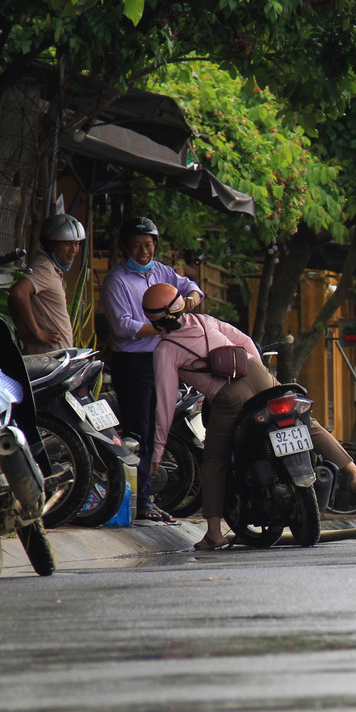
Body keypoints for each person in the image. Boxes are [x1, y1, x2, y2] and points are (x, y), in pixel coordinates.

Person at [142, 282, 356, 549]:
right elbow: (246, 343)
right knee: (305, 422)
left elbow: (164, 402)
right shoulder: (205, 320)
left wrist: (157, 452)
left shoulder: (165, 349)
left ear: (154, 319)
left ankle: (214, 532)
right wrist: (258, 372)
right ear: (181, 304)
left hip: (229, 397)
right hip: (261, 377)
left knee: (214, 459)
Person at [100, 217, 204, 522]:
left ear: (155, 245)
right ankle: (141, 500)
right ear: (126, 247)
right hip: (134, 364)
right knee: (140, 431)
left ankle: (148, 496)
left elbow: (189, 286)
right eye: (137, 245)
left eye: (148, 245)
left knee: (159, 428)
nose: (144, 251)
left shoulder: (162, 272)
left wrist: (193, 297)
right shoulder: (116, 281)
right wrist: (160, 326)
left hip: (163, 358)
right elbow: (122, 327)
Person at [9, 213, 83, 354]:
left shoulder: (50, 267)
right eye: (68, 244)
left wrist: (24, 329)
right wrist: (36, 331)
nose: (74, 250)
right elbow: (18, 293)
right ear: (52, 245)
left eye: (77, 244)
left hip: (55, 356)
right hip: (50, 357)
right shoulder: (45, 268)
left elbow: (13, 296)